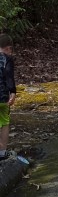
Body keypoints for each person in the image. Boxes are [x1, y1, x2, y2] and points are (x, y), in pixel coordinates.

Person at [0, 32, 16, 162]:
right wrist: (13, 92)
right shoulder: (7, 59)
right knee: (5, 122)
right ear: (8, 48)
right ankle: (2, 152)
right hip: (3, 97)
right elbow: (9, 77)